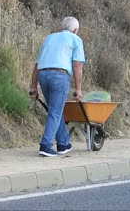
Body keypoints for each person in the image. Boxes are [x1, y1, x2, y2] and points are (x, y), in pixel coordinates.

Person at [30, 17, 85, 157]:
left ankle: (63, 144)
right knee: (55, 112)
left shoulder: (49, 38)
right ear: (75, 30)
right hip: (59, 76)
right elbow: (77, 65)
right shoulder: (75, 39)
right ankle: (45, 145)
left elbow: (37, 65)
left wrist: (33, 87)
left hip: (43, 75)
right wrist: (78, 89)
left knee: (55, 110)